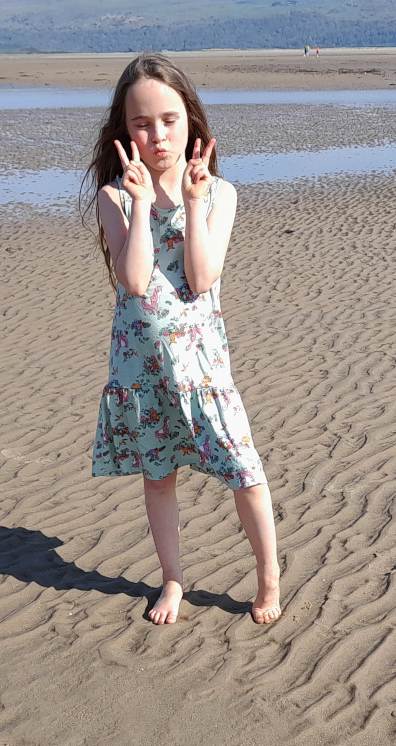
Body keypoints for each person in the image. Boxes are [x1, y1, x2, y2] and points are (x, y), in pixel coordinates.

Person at [81, 53, 281, 627]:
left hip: (203, 364)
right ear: (125, 132)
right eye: (142, 124)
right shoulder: (114, 197)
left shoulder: (220, 193)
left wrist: (192, 203)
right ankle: (172, 580)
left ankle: (268, 574)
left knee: (243, 468)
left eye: (169, 120)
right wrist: (141, 203)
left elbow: (200, 277)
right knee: (159, 476)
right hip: (141, 365)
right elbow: (136, 279)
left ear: (190, 120)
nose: (158, 136)